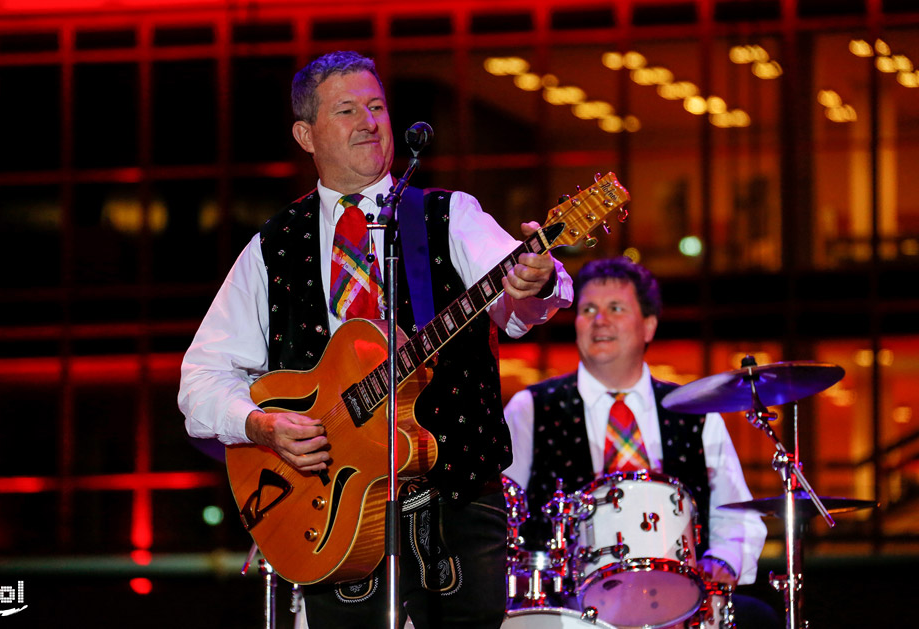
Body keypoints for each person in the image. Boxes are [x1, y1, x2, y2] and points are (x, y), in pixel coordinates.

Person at [178, 50, 573, 629]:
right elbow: (202, 379)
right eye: (347, 110)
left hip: (455, 500)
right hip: (330, 508)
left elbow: (513, 302)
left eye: (377, 106)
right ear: (305, 134)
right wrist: (261, 425)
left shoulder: (450, 215)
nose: (369, 121)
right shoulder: (273, 246)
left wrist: (534, 282)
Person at [503, 256, 780, 629]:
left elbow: (737, 515)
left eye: (616, 308)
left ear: (649, 325)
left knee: (759, 618)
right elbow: (498, 516)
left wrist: (723, 564)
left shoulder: (697, 410)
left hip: (680, 606)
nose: (600, 319)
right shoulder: (530, 408)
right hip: (567, 610)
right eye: (588, 309)